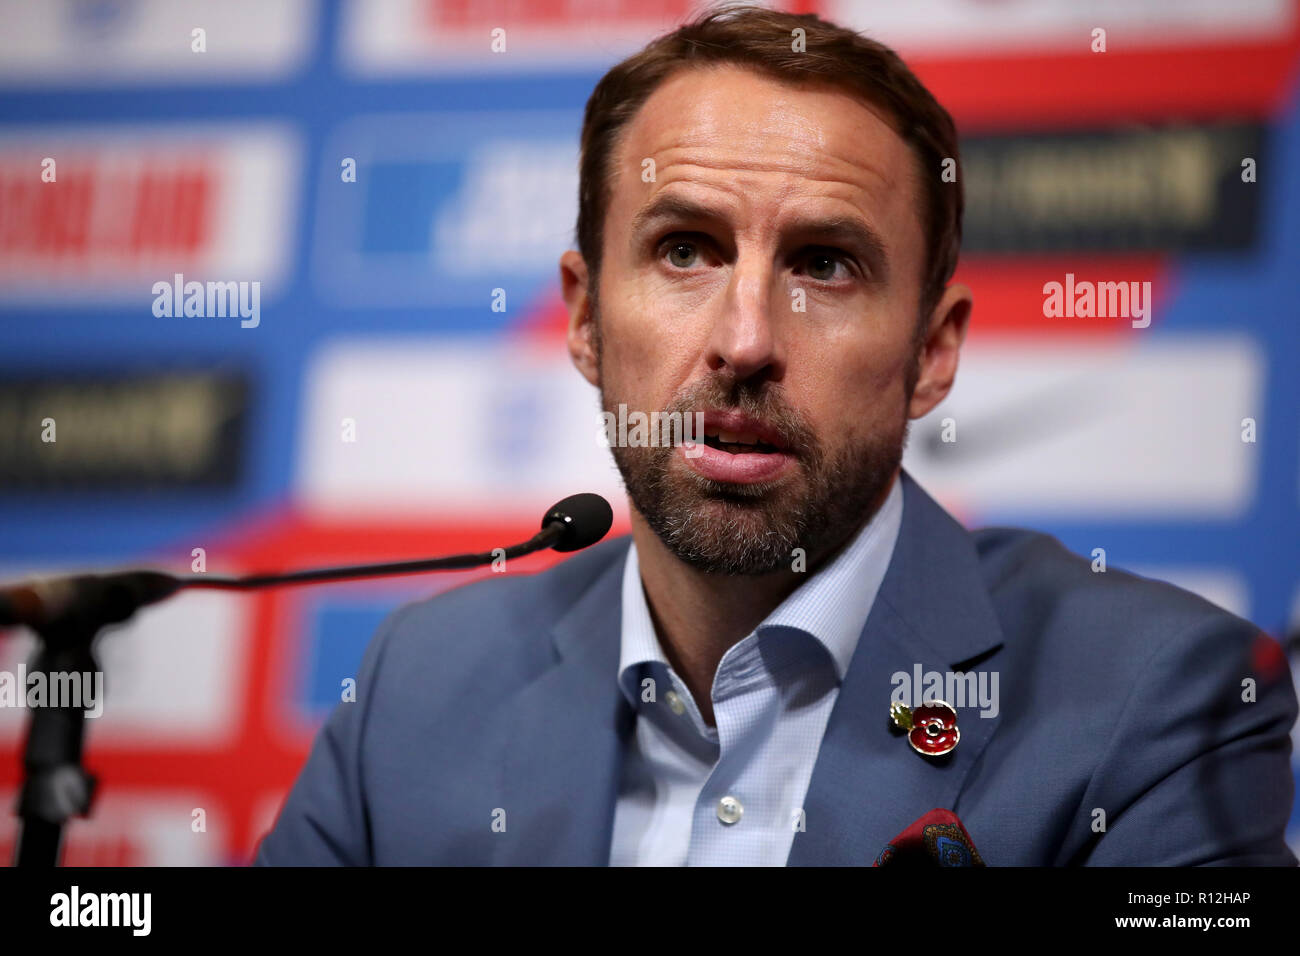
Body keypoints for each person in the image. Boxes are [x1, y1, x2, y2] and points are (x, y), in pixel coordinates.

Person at [256, 5, 1296, 866]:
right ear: (581, 317)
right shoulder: (418, 687)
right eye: (684, 250)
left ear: (931, 353)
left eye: (825, 265)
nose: (745, 341)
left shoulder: (1160, 700)